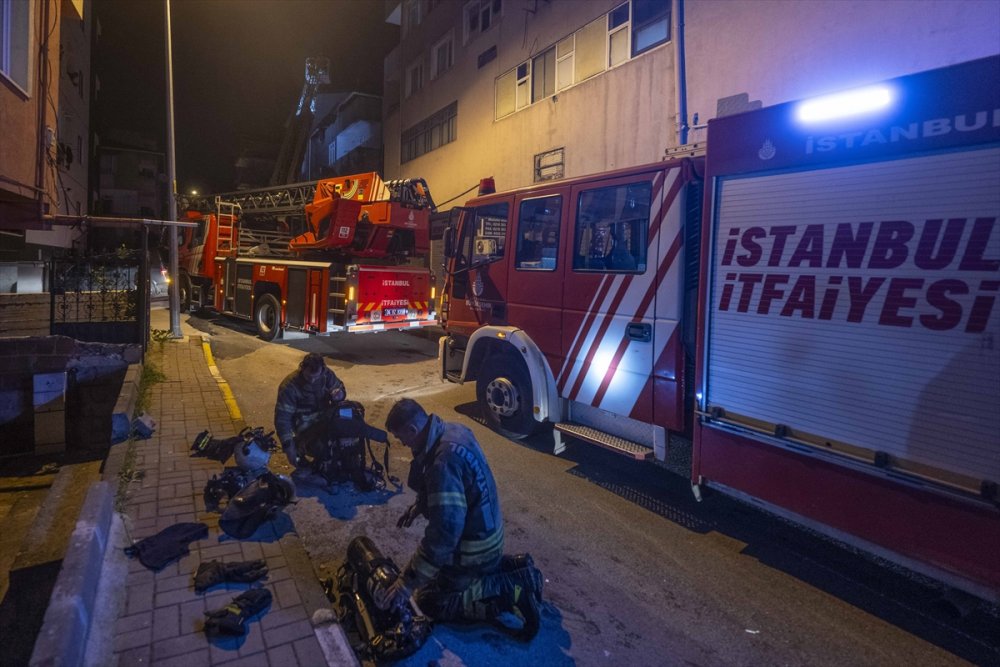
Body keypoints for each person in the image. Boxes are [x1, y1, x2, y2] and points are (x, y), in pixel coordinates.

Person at [376, 398, 542, 640]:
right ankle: (516, 568)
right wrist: (420, 506)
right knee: (436, 577)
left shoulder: (442, 463)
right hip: (489, 534)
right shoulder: (453, 431)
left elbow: (444, 535)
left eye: (402, 438)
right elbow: (455, 488)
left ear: (413, 430)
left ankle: (512, 590)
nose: (402, 443)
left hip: (476, 549)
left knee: (430, 600)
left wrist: (406, 583)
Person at [274, 352, 346, 481]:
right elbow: (282, 419)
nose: (312, 380)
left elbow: (340, 389)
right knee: (321, 445)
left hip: (326, 416)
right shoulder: (289, 386)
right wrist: (288, 447)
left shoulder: (326, 374)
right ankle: (305, 457)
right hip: (304, 424)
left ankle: (336, 459)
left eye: (315, 377)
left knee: (349, 422)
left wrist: (339, 394)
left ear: (322, 370)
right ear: (302, 368)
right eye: (308, 376)